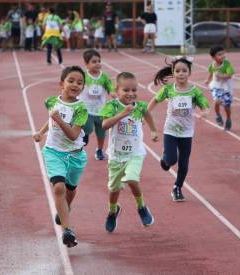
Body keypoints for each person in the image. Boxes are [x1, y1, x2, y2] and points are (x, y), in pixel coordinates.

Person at [33, 66, 88, 248]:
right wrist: (41, 132)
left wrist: (58, 120)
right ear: (61, 84)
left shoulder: (81, 109)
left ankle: (65, 208)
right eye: (71, 81)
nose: (75, 84)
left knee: (70, 190)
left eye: (80, 82)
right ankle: (67, 230)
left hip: (75, 155)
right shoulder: (50, 102)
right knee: (58, 188)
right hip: (53, 151)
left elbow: (73, 135)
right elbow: (51, 119)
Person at [100, 72, 158, 233]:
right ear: (117, 91)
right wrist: (122, 114)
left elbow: (147, 114)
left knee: (132, 179)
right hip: (116, 155)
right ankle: (113, 211)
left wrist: (153, 130)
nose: (131, 94)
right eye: (126, 90)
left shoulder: (139, 106)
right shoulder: (111, 106)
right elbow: (104, 125)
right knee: (114, 189)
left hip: (135, 153)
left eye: (134, 90)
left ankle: (141, 207)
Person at [148, 57, 210, 202]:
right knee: (171, 160)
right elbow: (155, 100)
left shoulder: (195, 91)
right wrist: (146, 113)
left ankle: (177, 187)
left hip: (187, 131)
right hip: (170, 129)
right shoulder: (168, 90)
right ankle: (166, 158)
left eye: (184, 71)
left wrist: (205, 112)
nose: (181, 73)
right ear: (173, 73)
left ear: (189, 73)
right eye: (178, 71)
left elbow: (204, 105)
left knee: (184, 161)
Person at [79, 49, 115, 160]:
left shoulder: (104, 76)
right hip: (86, 109)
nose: (98, 63)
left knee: (101, 133)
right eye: (94, 61)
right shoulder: (84, 75)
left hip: (101, 110)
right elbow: (77, 85)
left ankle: (99, 150)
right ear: (86, 64)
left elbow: (110, 87)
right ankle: (84, 136)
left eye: (99, 61)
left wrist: (113, 93)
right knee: (88, 127)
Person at [205, 46, 234, 131]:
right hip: (216, 86)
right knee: (217, 101)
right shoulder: (211, 66)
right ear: (213, 57)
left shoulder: (227, 64)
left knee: (227, 106)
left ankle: (228, 119)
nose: (222, 56)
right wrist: (207, 80)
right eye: (219, 54)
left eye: (223, 54)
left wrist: (221, 76)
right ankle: (218, 115)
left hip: (226, 88)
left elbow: (229, 75)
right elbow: (210, 73)